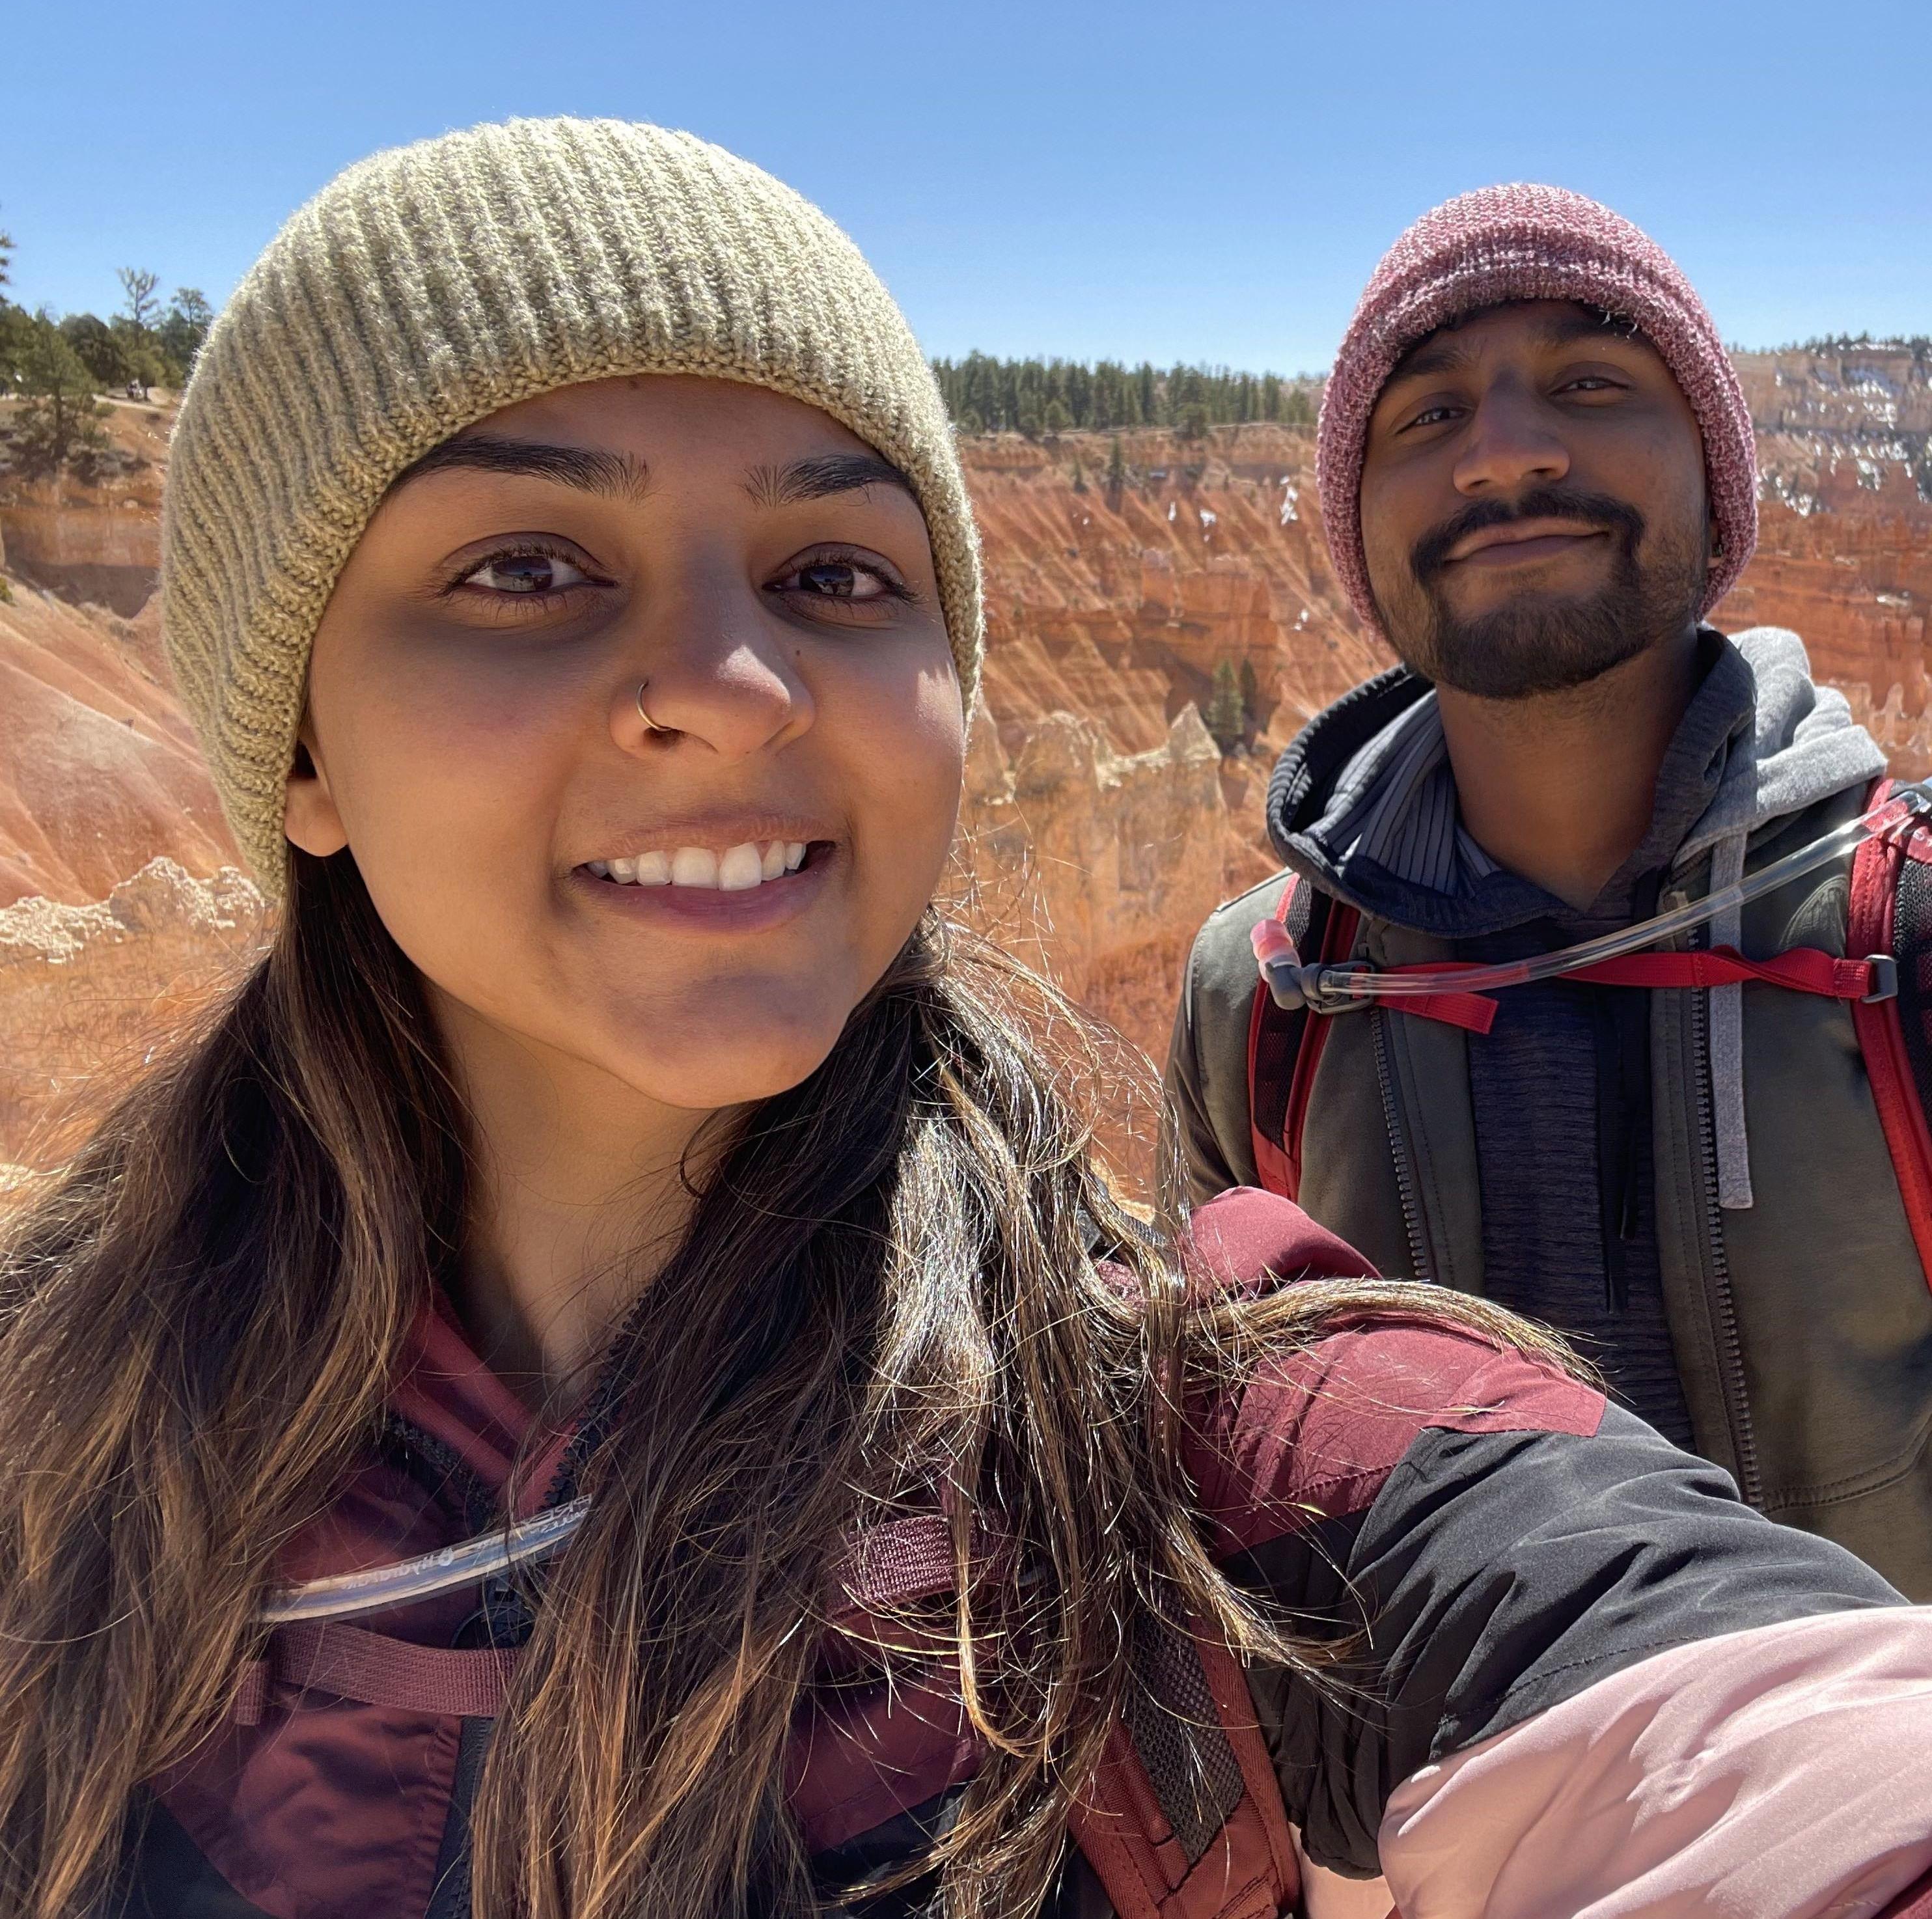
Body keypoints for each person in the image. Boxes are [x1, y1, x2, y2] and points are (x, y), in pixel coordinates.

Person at [3, 128, 1930, 1919]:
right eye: (524, 568)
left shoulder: (1167, 1454)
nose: (731, 685)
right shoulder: (1276, 978)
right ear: (299, 743)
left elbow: (1678, 1667)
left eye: (835, 571)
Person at [1166, 183, 1932, 1599]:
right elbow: (1212, 1489)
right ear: (1356, 531)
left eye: (1590, 380)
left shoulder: (1900, 937)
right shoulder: (1262, 992)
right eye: (1426, 414)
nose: (1504, 453)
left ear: (1715, 486)